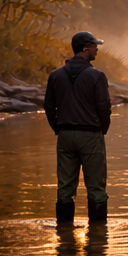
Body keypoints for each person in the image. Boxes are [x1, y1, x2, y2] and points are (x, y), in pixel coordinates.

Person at [44, 31, 113, 223]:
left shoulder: (55, 75)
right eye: (94, 46)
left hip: (65, 136)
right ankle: (98, 237)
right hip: (90, 135)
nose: (97, 49)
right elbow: (104, 108)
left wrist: (58, 129)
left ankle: (64, 234)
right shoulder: (96, 76)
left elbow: (49, 107)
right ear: (85, 48)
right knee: (96, 188)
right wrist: (102, 129)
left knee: (65, 187)